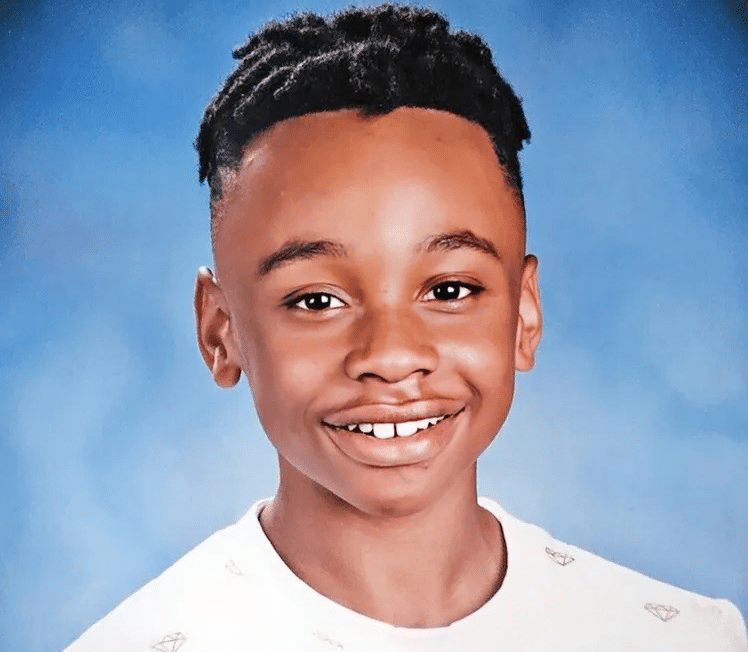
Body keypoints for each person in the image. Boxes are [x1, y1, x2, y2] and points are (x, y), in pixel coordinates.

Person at [64, 4, 747, 651]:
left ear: (524, 314)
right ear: (221, 332)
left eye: (450, 289)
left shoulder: (684, 637)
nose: (390, 356)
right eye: (315, 301)